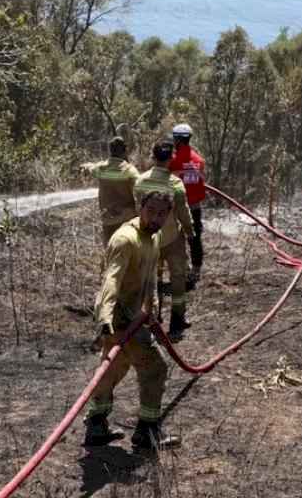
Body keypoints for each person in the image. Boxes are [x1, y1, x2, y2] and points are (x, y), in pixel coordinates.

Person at [84, 190, 181, 450]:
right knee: (155, 368)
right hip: (121, 319)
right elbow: (111, 280)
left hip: (135, 317)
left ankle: (96, 425)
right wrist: (105, 318)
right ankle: (147, 432)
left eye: (162, 214)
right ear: (141, 208)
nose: (155, 218)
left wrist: (153, 309)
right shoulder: (125, 239)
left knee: (113, 369)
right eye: (151, 211)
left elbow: (150, 278)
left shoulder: (154, 236)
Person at [134, 138, 196, 339]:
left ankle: (154, 319)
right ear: (171, 158)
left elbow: (137, 210)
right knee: (178, 279)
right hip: (172, 239)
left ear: (153, 157)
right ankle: (177, 322)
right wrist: (190, 232)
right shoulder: (175, 184)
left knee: (153, 279)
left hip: (149, 238)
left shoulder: (140, 181)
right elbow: (183, 212)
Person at [79, 136, 139, 246]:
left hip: (107, 220)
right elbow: (140, 185)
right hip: (127, 219)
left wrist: (85, 165)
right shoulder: (129, 170)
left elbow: (88, 168)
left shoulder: (101, 168)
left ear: (110, 151)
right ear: (125, 151)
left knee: (110, 250)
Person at [170, 123, 207, 289]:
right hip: (195, 207)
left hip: (176, 207)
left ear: (177, 140)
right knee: (195, 238)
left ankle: (182, 269)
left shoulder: (173, 160)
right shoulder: (199, 160)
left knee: (175, 239)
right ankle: (196, 270)